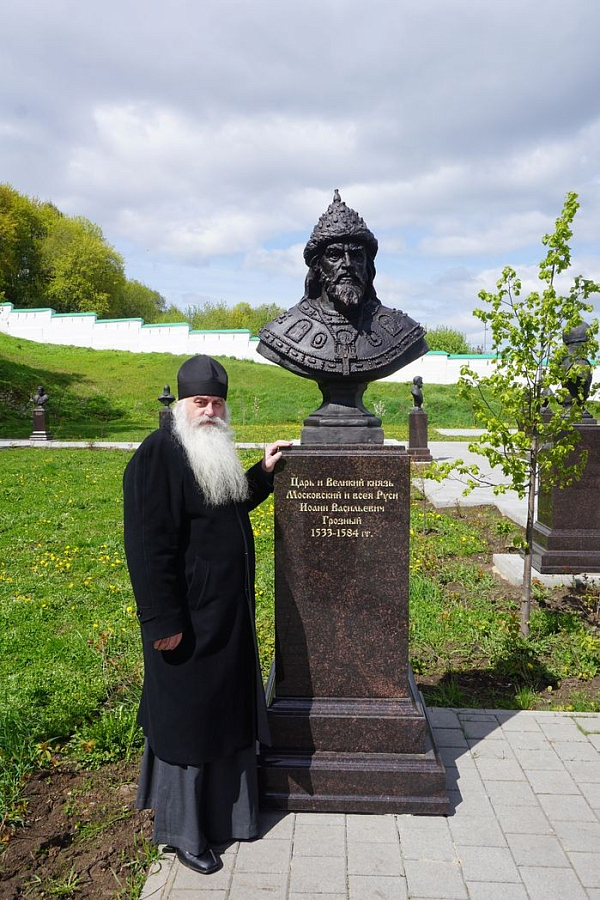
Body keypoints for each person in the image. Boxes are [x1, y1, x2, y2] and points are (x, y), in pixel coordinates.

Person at [123, 354, 289, 875]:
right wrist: (161, 622)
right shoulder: (159, 454)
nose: (210, 412)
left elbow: (226, 507)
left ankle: (229, 816)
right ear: (182, 404)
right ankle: (183, 833)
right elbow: (147, 546)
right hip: (186, 623)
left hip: (224, 618)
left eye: (217, 403)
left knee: (222, 715)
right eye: (201, 402)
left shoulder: (211, 450)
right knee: (187, 725)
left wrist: (261, 474)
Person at [257, 190, 428, 382]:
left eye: (356, 256)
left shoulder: (402, 330)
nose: (347, 264)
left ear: (368, 265)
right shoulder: (282, 331)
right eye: (334, 255)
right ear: (317, 265)